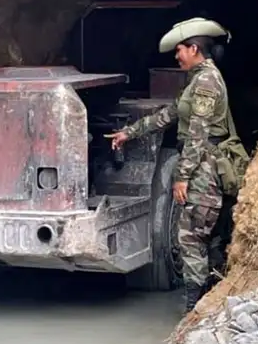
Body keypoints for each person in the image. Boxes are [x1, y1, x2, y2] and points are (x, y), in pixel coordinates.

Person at [105, 18, 246, 313]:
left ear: (194, 49)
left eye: (180, 50)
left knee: (191, 235)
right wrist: (130, 132)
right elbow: (170, 114)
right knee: (201, 233)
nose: (177, 56)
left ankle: (194, 308)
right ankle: (207, 299)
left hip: (204, 168)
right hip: (202, 164)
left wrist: (182, 176)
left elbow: (198, 134)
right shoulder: (196, 80)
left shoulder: (206, 82)